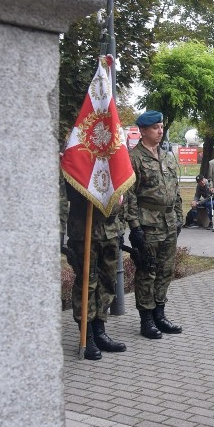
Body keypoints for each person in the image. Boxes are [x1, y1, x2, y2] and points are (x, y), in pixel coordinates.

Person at [126, 110, 184, 339]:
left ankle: (160, 313)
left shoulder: (167, 156)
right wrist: (134, 227)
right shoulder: (134, 157)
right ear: (142, 130)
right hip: (148, 224)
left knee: (165, 270)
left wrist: (180, 216)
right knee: (147, 271)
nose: (160, 131)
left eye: (161, 127)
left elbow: (175, 190)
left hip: (169, 223)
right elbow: (130, 195)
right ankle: (147, 319)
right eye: (155, 128)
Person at [64, 182, 127, 360]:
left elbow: (123, 188)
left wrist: (121, 227)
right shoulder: (78, 154)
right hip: (85, 230)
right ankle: (87, 336)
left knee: (107, 283)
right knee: (86, 283)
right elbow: (66, 193)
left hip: (111, 230)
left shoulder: (113, 155)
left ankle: (100, 332)